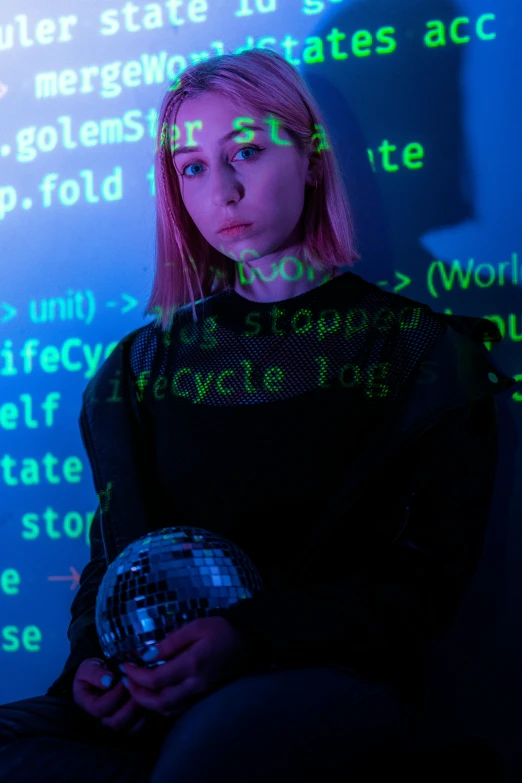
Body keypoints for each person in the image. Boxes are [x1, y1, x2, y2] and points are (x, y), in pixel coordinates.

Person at [0, 49, 517, 783]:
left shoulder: (422, 352)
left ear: (309, 158)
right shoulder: (138, 368)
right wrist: (93, 660)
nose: (225, 190)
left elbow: (423, 586)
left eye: (246, 151)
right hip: (161, 694)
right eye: (194, 167)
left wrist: (248, 637)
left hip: (329, 682)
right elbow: (114, 559)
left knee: (209, 751)